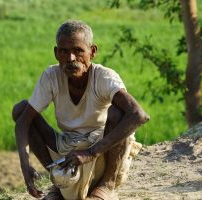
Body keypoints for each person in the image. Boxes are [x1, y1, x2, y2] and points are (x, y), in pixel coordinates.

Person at [12, 19, 150, 200]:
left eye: (78, 51)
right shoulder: (51, 76)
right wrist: (25, 165)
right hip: (68, 147)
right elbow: (23, 121)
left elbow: (139, 115)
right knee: (21, 110)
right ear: (56, 53)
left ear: (92, 52)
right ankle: (59, 181)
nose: (70, 59)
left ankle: (106, 186)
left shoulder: (103, 77)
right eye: (64, 51)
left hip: (101, 149)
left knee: (119, 113)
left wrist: (90, 153)